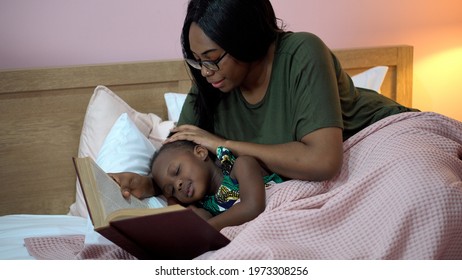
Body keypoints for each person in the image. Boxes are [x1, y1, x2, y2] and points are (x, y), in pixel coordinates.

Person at [111, 0, 418, 202]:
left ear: (243, 38)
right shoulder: (210, 84)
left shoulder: (302, 52)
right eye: (196, 61)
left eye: (213, 59)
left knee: (420, 192)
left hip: (385, 137)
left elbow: (324, 161)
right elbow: (181, 157)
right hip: (318, 179)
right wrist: (150, 185)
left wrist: (224, 143)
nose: (205, 71)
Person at [135, 139, 282, 231]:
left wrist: (208, 227)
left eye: (177, 171)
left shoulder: (241, 165)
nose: (177, 184)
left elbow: (252, 207)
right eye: (171, 189)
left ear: (200, 152)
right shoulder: (206, 207)